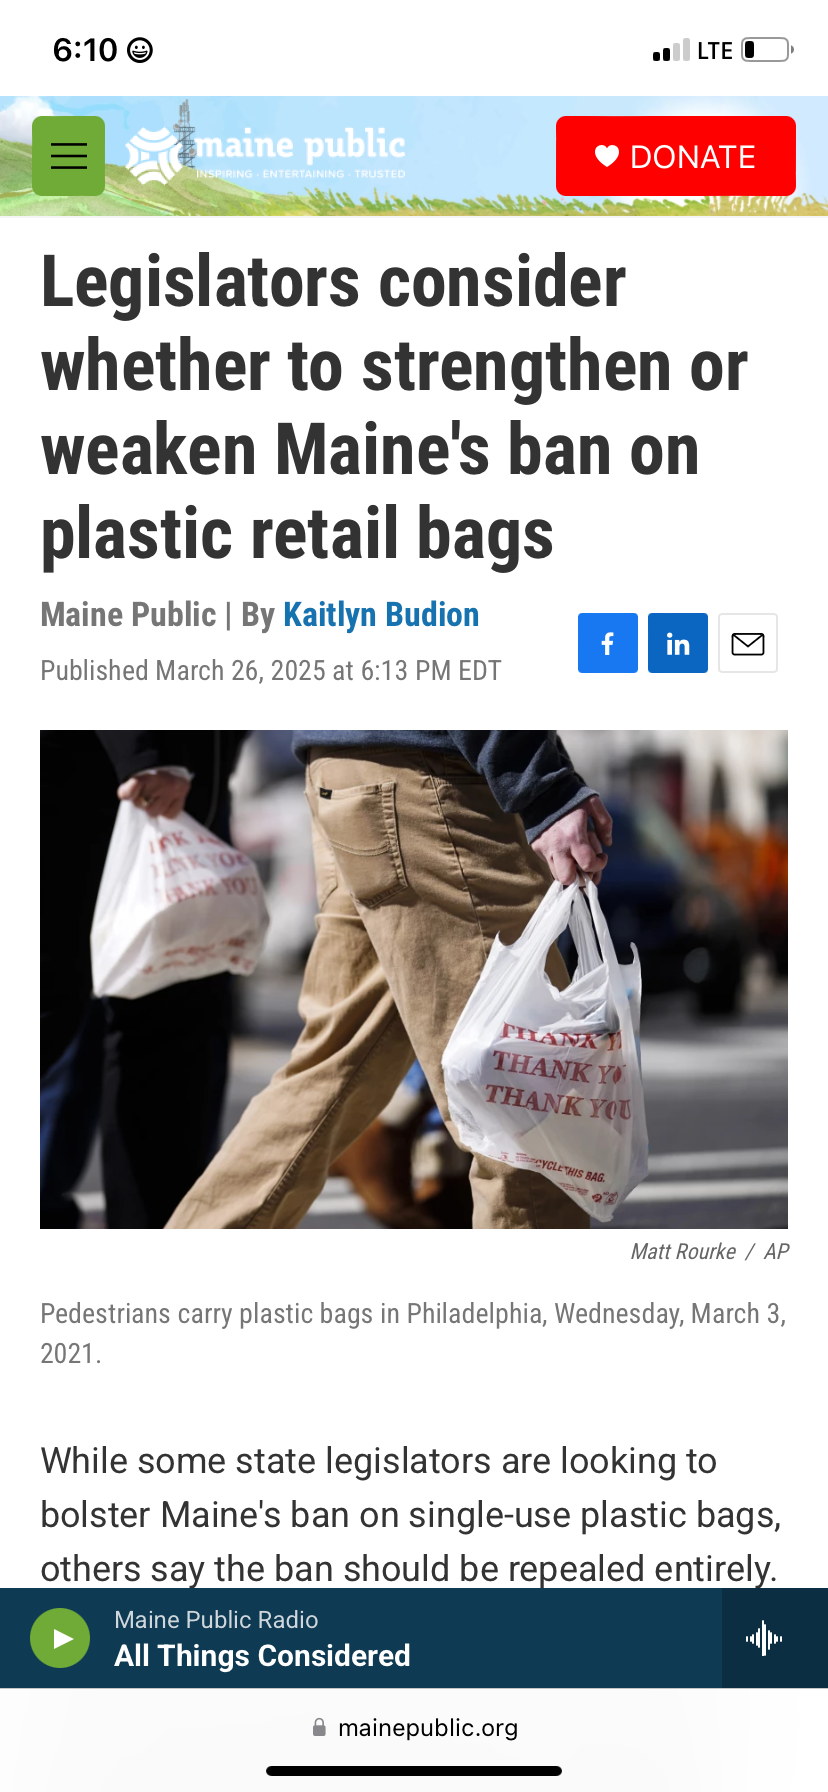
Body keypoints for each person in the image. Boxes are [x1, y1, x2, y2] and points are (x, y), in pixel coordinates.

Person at [166, 731, 612, 1232]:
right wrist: (541, 785)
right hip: (431, 786)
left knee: (334, 1065)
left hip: (349, 767)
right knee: (525, 1099)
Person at [40, 731, 247, 1227]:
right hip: (109, 775)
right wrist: (150, 748)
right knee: (50, 1006)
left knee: (174, 1028)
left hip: (184, 780)